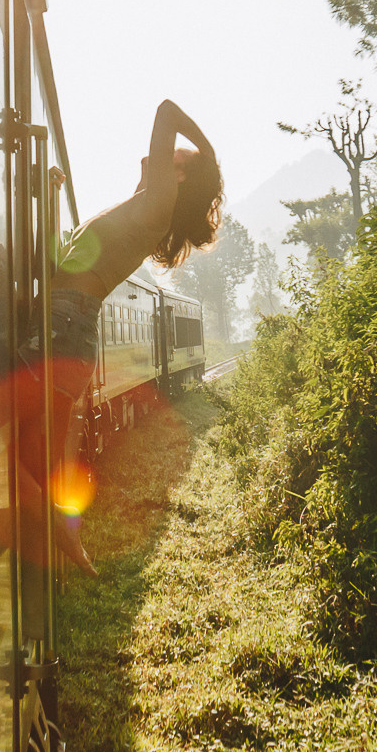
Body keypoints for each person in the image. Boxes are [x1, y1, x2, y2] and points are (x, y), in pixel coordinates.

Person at [37, 99, 222, 572]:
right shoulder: (142, 206)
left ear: (176, 176)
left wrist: (208, 152)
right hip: (66, 320)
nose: (170, 153)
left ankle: (66, 541)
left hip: (68, 323)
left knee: (45, 457)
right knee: (45, 452)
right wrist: (53, 195)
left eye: (179, 156)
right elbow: (67, 259)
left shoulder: (159, 203)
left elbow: (165, 111)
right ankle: (61, 540)